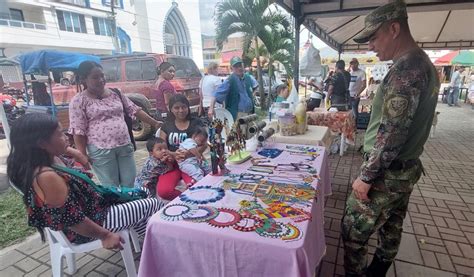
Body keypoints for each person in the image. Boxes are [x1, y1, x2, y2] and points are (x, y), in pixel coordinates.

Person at [341, 2, 440, 277]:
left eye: (374, 37)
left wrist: (367, 177)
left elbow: (392, 132)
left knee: (353, 229)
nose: (371, 46)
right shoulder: (424, 64)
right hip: (405, 169)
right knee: (392, 225)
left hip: (387, 172)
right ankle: (378, 271)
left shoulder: (406, 70)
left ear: (394, 28)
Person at [7, 113, 164, 248]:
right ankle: (155, 245)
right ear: (42, 144)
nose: (67, 137)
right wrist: (105, 236)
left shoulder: (44, 157)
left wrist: (74, 152)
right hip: (90, 225)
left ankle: (149, 241)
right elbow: (73, 221)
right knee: (152, 204)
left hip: (93, 208)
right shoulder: (46, 177)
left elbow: (60, 149)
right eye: (60, 134)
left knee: (143, 192)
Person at [69, 61, 162, 187]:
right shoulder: (78, 101)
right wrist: (82, 155)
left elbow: (135, 109)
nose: (101, 80)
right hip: (101, 151)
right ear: (84, 79)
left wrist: (155, 123)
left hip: (124, 145)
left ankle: (131, 206)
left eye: (102, 75)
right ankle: (119, 207)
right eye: (95, 77)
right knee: (111, 186)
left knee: (130, 183)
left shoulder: (115, 93)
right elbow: (78, 131)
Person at [158, 94, 206, 200]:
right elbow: (161, 148)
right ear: (171, 109)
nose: (181, 110)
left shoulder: (196, 123)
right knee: (164, 191)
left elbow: (204, 145)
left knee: (198, 186)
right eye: (176, 107)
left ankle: (194, 200)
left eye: (184, 107)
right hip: (172, 164)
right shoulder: (166, 125)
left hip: (191, 163)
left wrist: (188, 154)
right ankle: (184, 200)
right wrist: (174, 154)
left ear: (188, 107)